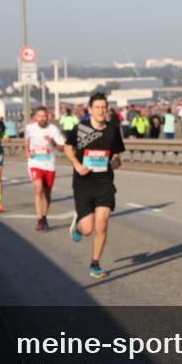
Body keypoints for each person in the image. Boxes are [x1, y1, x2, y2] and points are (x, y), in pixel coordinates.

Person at [64, 92, 125, 278]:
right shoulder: (80, 128)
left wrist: (116, 162)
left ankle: (95, 264)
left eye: (104, 107)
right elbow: (68, 147)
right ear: (90, 109)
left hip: (104, 182)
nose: (101, 111)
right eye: (97, 107)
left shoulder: (113, 129)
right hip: (83, 183)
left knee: (102, 223)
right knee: (88, 229)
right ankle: (77, 226)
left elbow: (117, 155)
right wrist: (76, 164)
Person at [25, 106, 67, 231]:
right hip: (34, 163)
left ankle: (44, 217)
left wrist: (53, 142)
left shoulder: (53, 129)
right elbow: (26, 141)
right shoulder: (30, 128)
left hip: (49, 164)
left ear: (48, 117)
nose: (42, 118)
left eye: (44, 116)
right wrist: (27, 151)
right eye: (40, 116)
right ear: (35, 117)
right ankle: (39, 220)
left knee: (47, 194)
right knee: (38, 189)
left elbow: (61, 148)